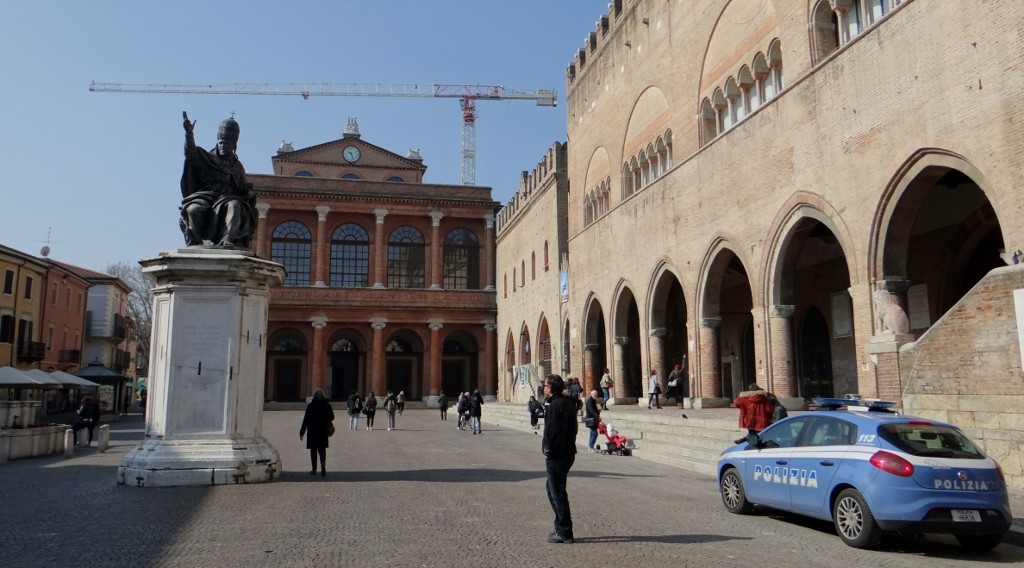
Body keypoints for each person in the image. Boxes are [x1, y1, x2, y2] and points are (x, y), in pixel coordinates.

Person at [179, 111, 257, 248]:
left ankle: (228, 238)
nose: (222, 146)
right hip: (206, 196)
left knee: (235, 205)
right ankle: (197, 243)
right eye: (221, 143)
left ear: (234, 146)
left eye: (227, 144)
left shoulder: (237, 166)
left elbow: (243, 187)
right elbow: (190, 153)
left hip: (228, 199)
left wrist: (249, 193)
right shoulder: (206, 158)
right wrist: (189, 133)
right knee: (193, 210)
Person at [541, 374, 577, 544]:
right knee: (552, 489)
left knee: (557, 492)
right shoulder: (568, 404)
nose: (544, 388)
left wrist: (548, 450)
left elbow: (551, 432)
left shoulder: (555, 406)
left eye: (545, 385)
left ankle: (564, 531)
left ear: (551, 388)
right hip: (568, 452)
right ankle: (561, 527)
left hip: (557, 454)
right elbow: (574, 429)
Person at [299, 388, 335, 477]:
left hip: (312, 430)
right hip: (323, 430)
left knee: (313, 450)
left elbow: (306, 419)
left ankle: (314, 469)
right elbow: (332, 417)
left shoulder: (311, 406)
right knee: (322, 449)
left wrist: (302, 431)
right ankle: (323, 465)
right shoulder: (326, 405)